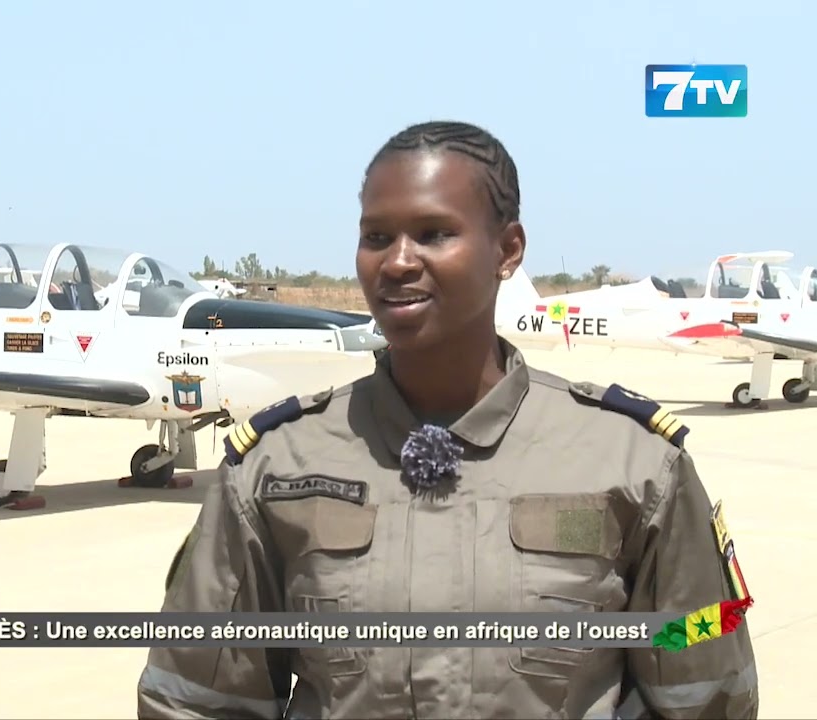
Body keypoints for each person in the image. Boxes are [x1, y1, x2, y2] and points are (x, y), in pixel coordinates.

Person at [136, 120, 759, 719]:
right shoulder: (276, 466)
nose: (398, 261)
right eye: (376, 237)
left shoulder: (635, 465)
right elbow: (198, 700)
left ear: (507, 250)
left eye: (434, 234)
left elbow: (704, 693)